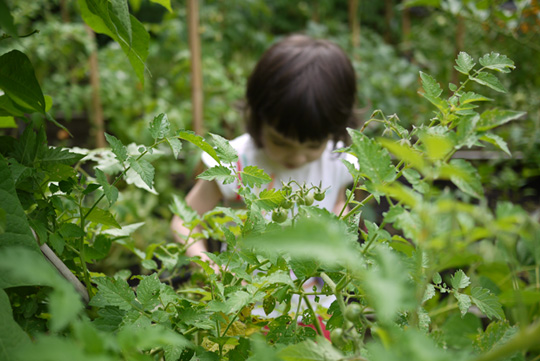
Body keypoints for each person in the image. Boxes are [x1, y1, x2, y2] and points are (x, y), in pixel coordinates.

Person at [171, 34, 359, 265]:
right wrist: (208, 268)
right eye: (281, 142)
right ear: (259, 119)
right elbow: (184, 221)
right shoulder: (236, 163)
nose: (298, 157)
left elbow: (337, 201)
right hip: (247, 294)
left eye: (313, 145)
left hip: (316, 295)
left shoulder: (335, 159)